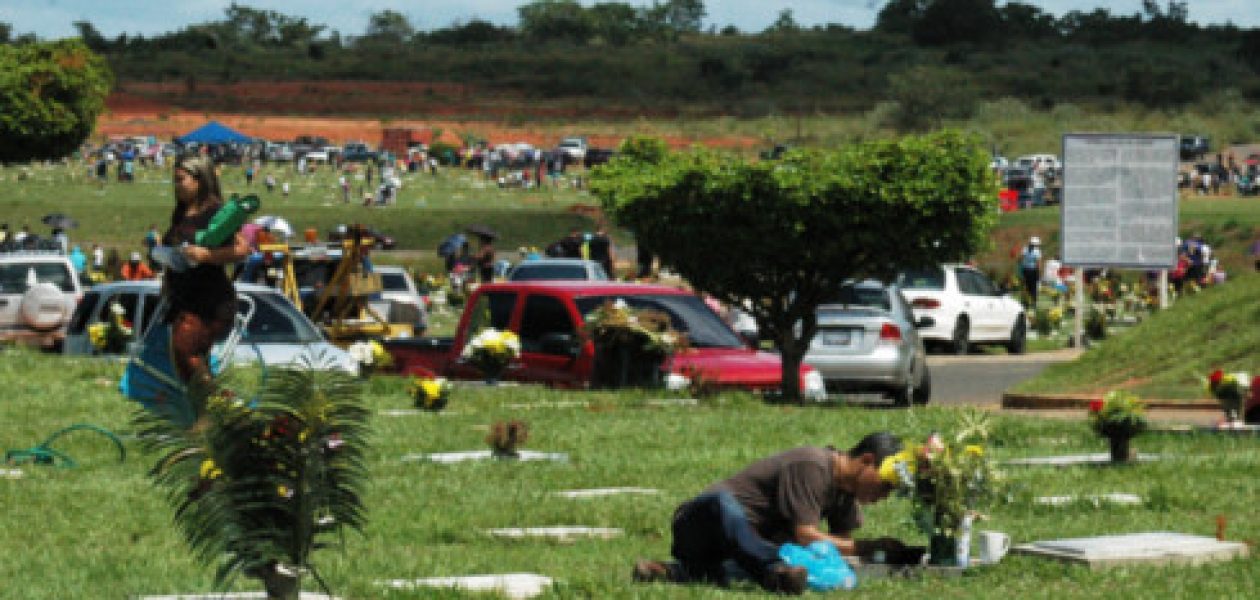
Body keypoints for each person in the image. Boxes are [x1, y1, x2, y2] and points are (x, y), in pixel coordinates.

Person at [633, 432, 907, 595]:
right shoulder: (812, 465)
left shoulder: (846, 491)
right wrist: (870, 546)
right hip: (702, 525)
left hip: (742, 550)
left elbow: (837, 547)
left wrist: (886, 554)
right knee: (721, 501)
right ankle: (773, 572)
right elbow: (806, 536)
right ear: (867, 461)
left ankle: (669, 572)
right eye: (885, 485)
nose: (884, 495)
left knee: (735, 566)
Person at [161, 155, 250, 391]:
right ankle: (209, 415)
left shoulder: (216, 212)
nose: (176, 185)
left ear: (199, 180)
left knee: (184, 349)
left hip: (211, 299)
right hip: (183, 295)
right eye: (175, 180)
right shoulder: (180, 212)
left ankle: (214, 407)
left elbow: (242, 248)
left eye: (181, 180)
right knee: (191, 360)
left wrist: (206, 256)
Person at [1019, 236, 1042, 305]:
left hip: (1025, 270)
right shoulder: (1037, 251)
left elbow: (1020, 259)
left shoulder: (1024, 249)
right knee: (1033, 287)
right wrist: (1039, 272)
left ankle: (1024, 301)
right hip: (1032, 271)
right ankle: (1033, 301)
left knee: (1025, 286)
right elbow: (1038, 263)